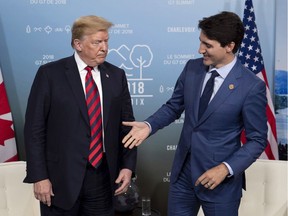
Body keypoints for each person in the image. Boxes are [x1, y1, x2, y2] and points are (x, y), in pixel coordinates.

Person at [122, 11, 267, 216]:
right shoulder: (192, 68)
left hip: (219, 182)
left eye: (208, 45)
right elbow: (173, 107)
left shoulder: (252, 87)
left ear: (229, 46)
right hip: (183, 176)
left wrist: (225, 168)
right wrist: (149, 125)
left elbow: (257, 140)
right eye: (201, 42)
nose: (200, 50)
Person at [24, 15, 137, 216]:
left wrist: (128, 167)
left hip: (102, 177)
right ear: (78, 44)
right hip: (60, 180)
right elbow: (34, 128)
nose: (104, 48)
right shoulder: (50, 74)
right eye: (97, 42)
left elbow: (126, 126)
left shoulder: (117, 76)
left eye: (106, 41)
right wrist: (39, 176)